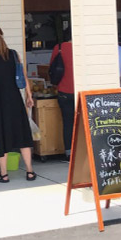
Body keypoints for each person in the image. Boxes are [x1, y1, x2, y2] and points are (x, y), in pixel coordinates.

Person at [0, 24, 36, 182]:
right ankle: (30, 171)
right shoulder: (13, 54)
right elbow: (23, 76)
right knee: (23, 135)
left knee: (0, 135)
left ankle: (3, 174)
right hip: (15, 100)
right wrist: (29, 95)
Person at [49, 29, 75, 160]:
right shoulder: (81, 48)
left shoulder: (58, 48)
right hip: (81, 91)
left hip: (63, 91)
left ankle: (69, 152)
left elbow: (52, 67)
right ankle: (85, 150)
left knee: (68, 122)